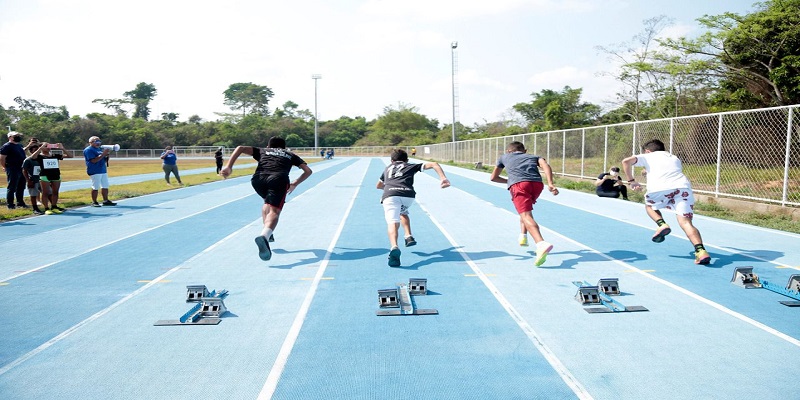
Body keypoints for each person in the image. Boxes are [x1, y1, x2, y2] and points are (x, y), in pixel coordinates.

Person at [220, 136, 312, 261]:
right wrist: (294, 184)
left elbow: (240, 148)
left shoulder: (262, 151)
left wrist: (228, 166)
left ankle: (268, 231)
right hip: (278, 179)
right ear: (284, 148)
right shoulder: (290, 154)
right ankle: (265, 235)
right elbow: (308, 171)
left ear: (268, 146)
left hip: (258, 180)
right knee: (274, 210)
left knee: (267, 203)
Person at [622, 139, 711, 265]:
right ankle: (701, 251)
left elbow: (626, 162)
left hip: (660, 188)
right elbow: (663, 170)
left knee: (650, 206)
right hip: (682, 188)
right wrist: (646, 171)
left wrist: (631, 181)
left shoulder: (648, 156)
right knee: (686, 222)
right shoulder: (674, 158)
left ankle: (662, 224)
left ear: (648, 151)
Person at [377, 148, 450, 267]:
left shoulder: (387, 168)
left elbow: (378, 185)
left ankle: (394, 246)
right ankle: (408, 235)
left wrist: (389, 187)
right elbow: (434, 164)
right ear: (406, 159)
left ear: (391, 160)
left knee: (392, 222)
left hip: (390, 195)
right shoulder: (410, 166)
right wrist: (443, 178)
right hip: (408, 195)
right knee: (402, 212)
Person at [490, 141, 559, 267]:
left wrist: (510, 180)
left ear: (508, 151)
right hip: (537, 184)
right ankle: (523, 236)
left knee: (526, 215)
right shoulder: (533, 156)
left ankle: (540, 243)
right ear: (525, 150)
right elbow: (545, 165)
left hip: (519, 185)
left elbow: (493, 177)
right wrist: (550, 183)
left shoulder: (504, 157)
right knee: (526, 212)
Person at [37, 141, 72, 214]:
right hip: (45, 175)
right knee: (45, 192)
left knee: (55, 192)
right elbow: (32, 157)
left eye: (48, 146)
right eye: (46, 146)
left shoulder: (54, 155)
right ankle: (46, 208)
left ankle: (54, 206)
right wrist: (40, 148)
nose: (48, 148)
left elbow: (70, 156)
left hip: (56, 175)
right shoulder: (39, 156)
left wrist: (62, 148)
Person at [83, 136, 117, 207]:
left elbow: (104, 159)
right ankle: (94, 202)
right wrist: (103, 154)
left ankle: (105, 200)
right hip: (95, 170)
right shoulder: (88, 150)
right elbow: (93, 160)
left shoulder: (99, 149)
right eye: (96, 141)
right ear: (91, 143)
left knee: (105, 186)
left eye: (99, 141)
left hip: (102, 170)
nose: (98, 143)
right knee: (95, 186)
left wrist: (106, 155)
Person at [1, 131, 29, 209]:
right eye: (15, 136)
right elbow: (2, 158)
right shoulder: (6, 146)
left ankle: (20, 202)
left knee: (21, 186)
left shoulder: (19, 145)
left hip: (21, 168)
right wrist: (5, 167)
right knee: (12, 186)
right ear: (10, 137)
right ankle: (10, 204)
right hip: (13, 168)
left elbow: (23, 152)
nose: (18, 137)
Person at [22, 140, 45, 215]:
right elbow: (24, 170)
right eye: (35, 150)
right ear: (31, 151)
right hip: (33, 180)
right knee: (33, 195)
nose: (37, 152)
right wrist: (28, 180)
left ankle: (50, 206)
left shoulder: (41, 158)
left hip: (41, 179)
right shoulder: (28, 160)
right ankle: (35, 208)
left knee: (48, 192)